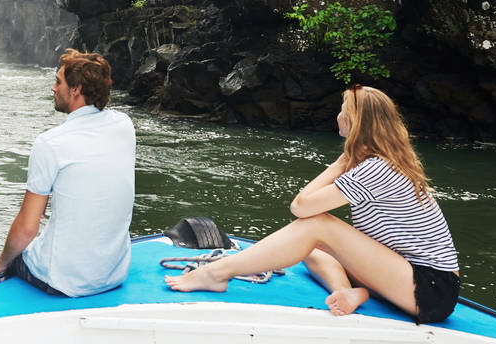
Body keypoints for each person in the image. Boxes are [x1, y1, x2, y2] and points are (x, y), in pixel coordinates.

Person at [166, 85, 460, 324]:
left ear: (355, 123)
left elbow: (302, 207)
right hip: (404, 275)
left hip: (430, 288)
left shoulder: (377, 169)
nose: (338, 116)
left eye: (343, 111)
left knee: (317, 226)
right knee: (310, 249)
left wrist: (342, 160)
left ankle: (216, 273)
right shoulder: (379, 164)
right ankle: (349, 292)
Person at [0, 49, 135, 297]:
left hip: (63, 282)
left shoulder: (51, 143)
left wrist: (1, 264)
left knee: (14, 254)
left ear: (75, 90)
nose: (53, 88)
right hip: (114, 274)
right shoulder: (124, 125)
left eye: (58, 82)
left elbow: (28, 227)